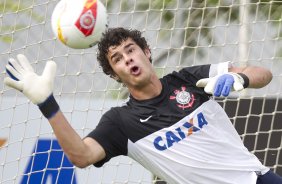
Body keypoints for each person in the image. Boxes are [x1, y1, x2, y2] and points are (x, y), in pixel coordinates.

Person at [4, 27, 281, 184]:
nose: (127, 59)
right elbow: (81, 156)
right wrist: (46, 103)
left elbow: (262, 74)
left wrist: (239, 78)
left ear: (146, 52)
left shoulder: (187, 80)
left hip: (256, 179)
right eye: (117, 58)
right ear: (115, 74)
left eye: (130, 49)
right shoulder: (120, 123)